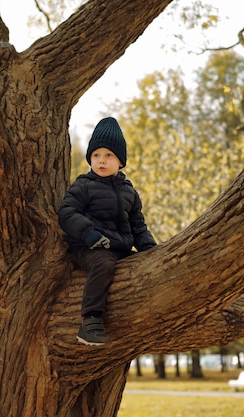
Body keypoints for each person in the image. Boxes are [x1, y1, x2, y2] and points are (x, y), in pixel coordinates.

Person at [58, 117, 156, 346]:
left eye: (108, 155)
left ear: (120, 161)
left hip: (119, 247)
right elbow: (67, 212)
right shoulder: (83, 185)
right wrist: (88, 233)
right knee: (103, 264)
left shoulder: (129, 191)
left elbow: (138, 225)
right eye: (96, 155)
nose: (101, 160)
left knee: (141, 267)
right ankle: (90, 320)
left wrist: (149, 248)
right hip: (89, 246)